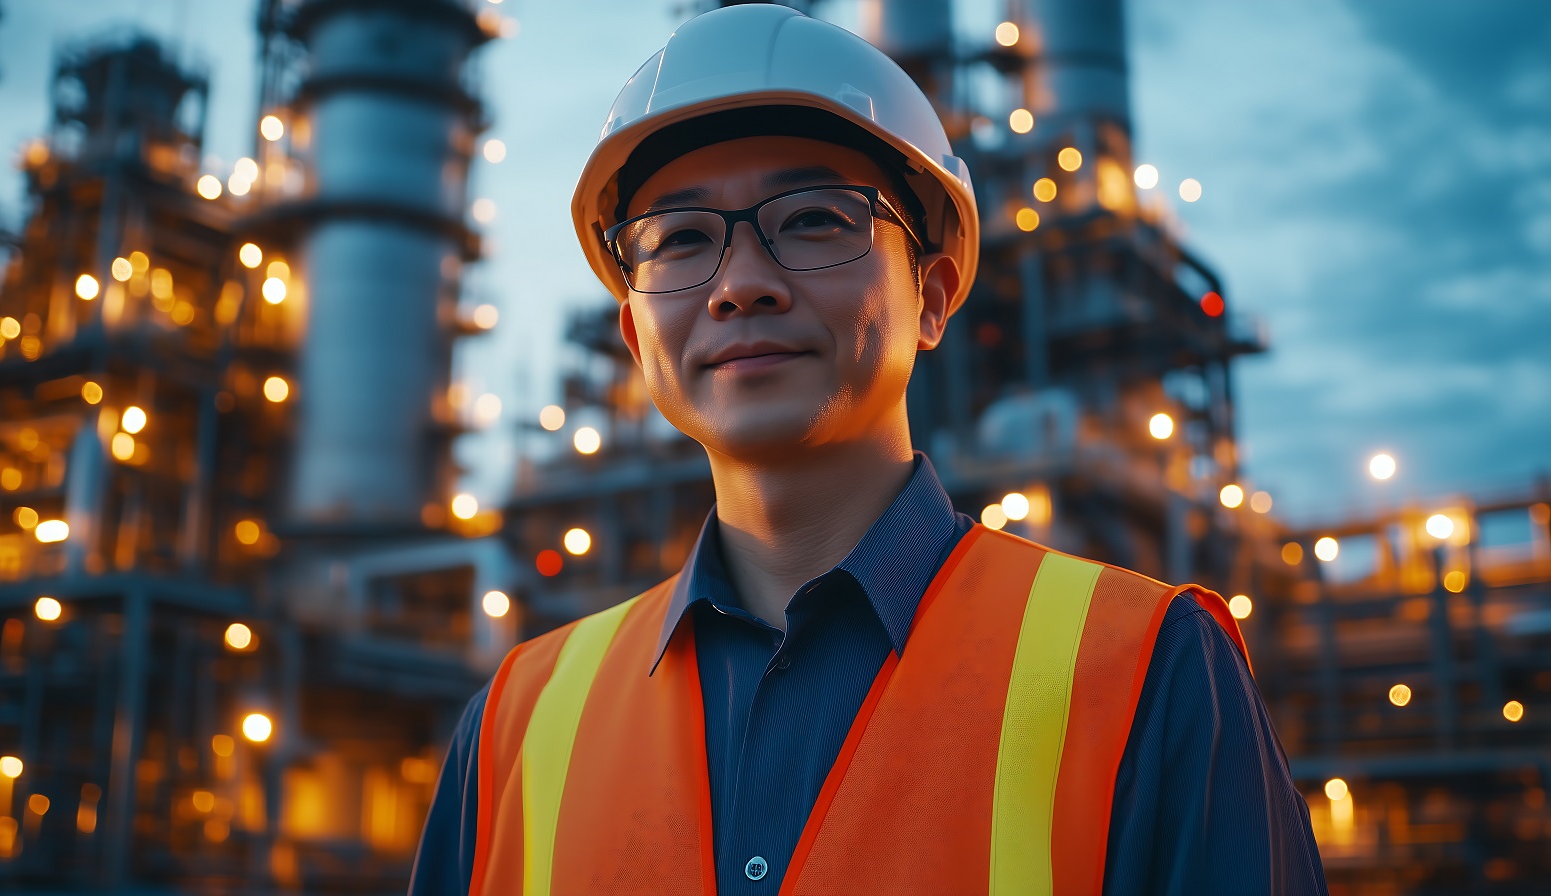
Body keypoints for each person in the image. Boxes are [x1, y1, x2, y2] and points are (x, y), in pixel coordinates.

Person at [410, 5, 1327, 895]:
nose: (740, 284)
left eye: (814, 219)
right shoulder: (515, 731)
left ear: (932, 295)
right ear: (634, 329)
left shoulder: (1148, 672)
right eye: (681, 239)